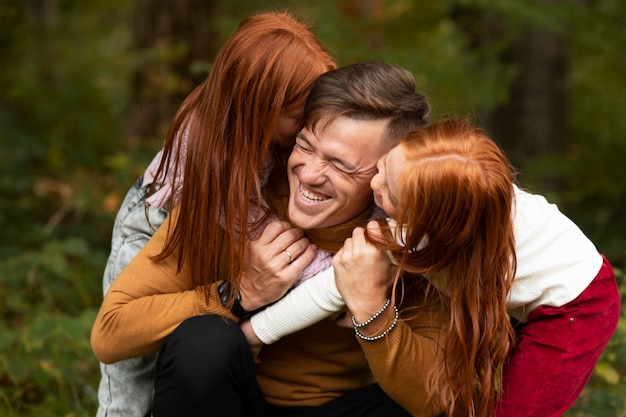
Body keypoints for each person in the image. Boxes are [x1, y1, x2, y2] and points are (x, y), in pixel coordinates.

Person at [91, 62, 440, 416]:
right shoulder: (235, 202)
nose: (309, 174)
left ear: (386, 174)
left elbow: (436, 395)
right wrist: (239, 294)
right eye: (305, 146)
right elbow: (111, 332)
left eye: (341, 165)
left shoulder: (402, 239)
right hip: (234, 403)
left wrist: (372, 309)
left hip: (337, 407)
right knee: (204, 341)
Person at [95, 10, 336, 417]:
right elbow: (256, 231)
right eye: (297, 118)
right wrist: (330, 274)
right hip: (158, 222)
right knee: (132, 386)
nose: (302, 131)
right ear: (260, 107)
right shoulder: (210, 147)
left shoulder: (262, 134)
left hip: (224, 227)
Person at [333, 117, 620, 417]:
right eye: (382, 165)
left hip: (579, 306)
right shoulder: (453, 184)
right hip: (555, 281)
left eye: (390, 196)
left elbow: (337, 282)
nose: (373, 183)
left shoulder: (425, 233)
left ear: (433, 221)